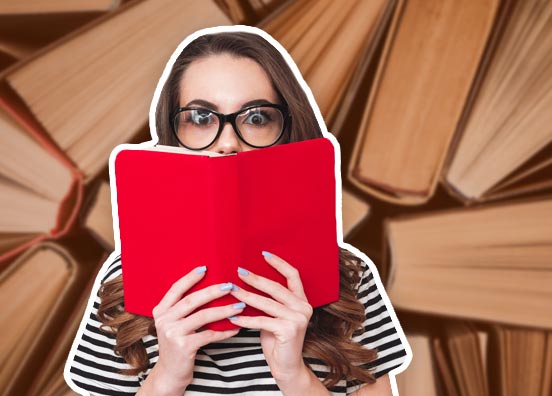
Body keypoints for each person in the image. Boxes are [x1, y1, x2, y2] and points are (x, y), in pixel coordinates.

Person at [64, 27, 410, 396]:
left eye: (257, 118)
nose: (228, 143)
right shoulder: (125, 280)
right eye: (200, 118)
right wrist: (168, 377)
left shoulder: (347, 283)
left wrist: (294, 375)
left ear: (289, 129)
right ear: (171, 133)